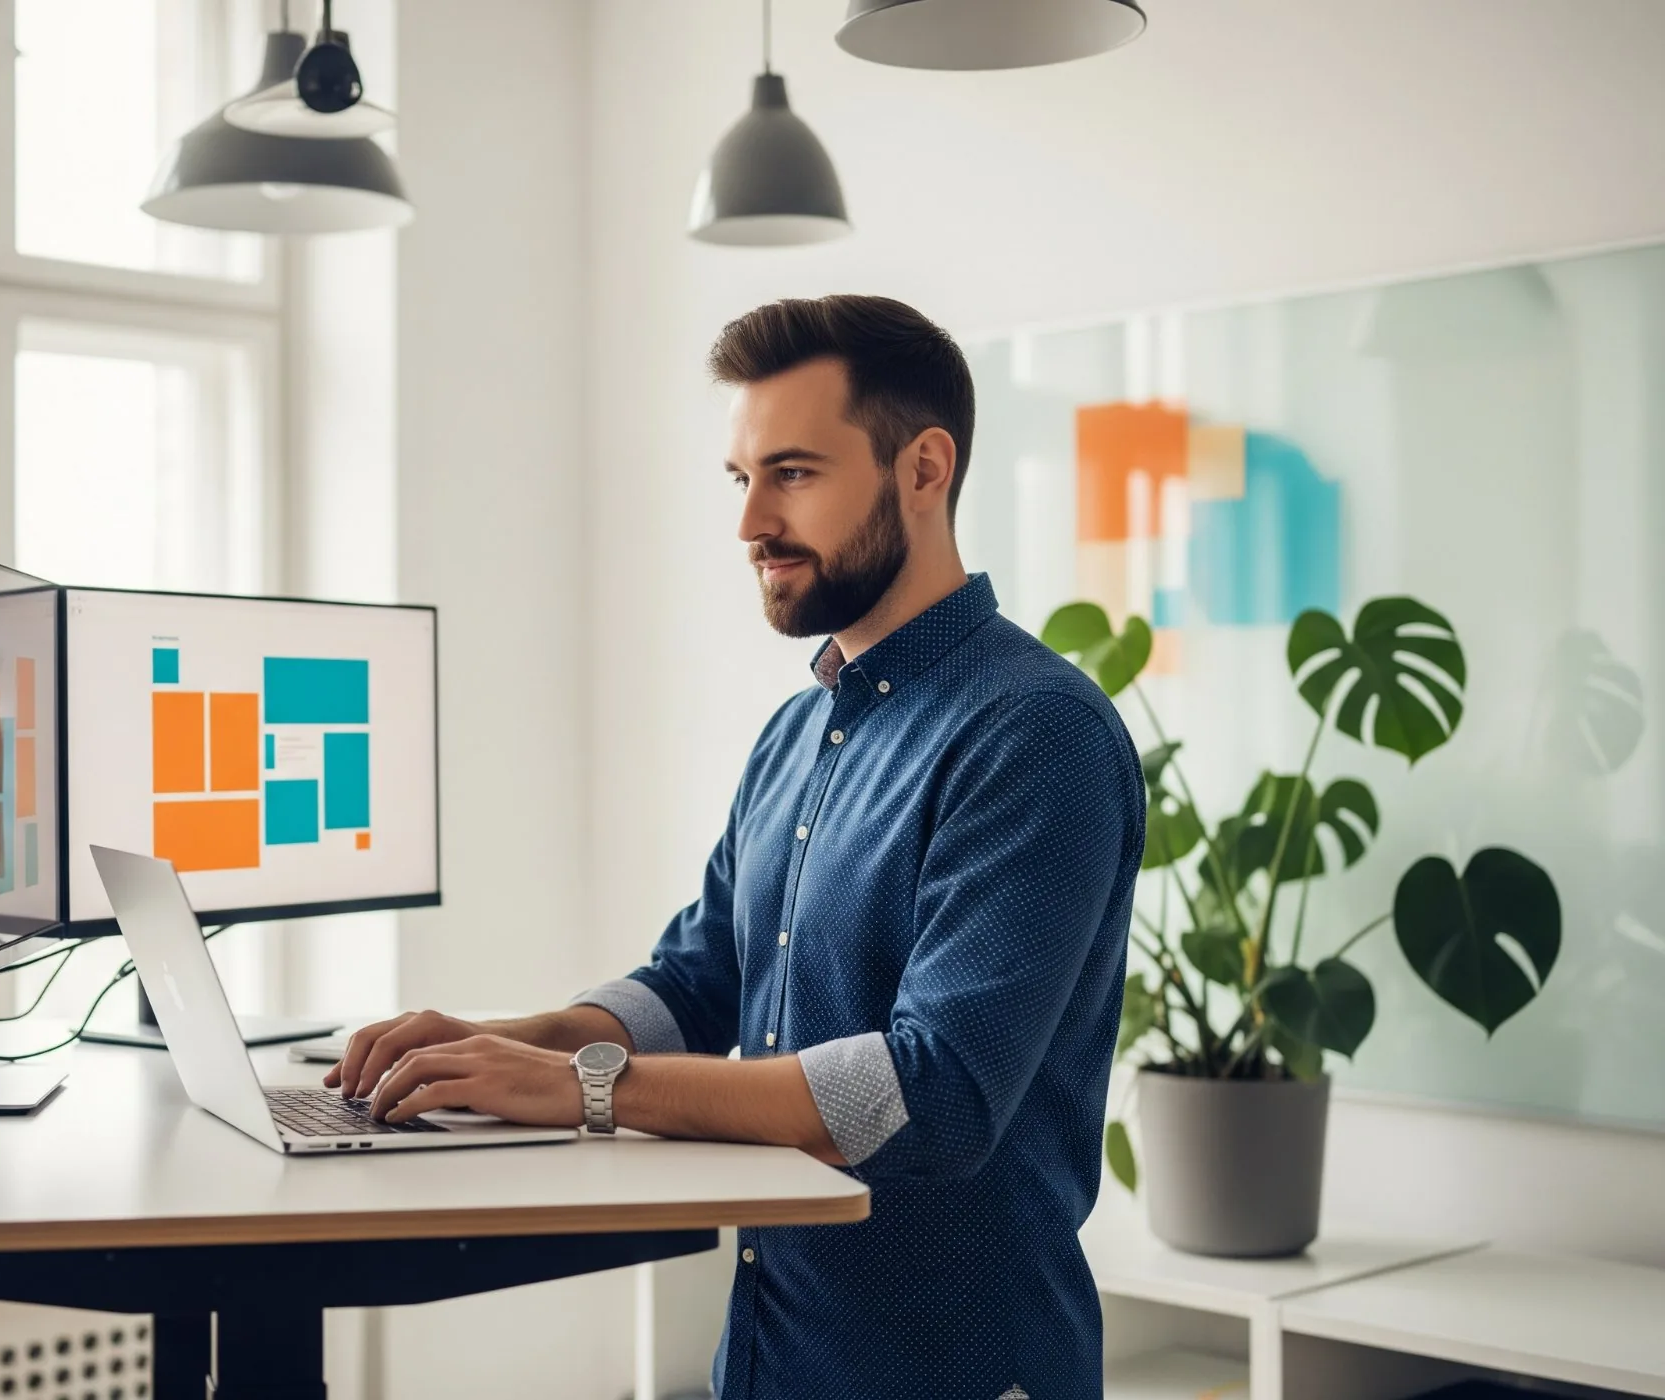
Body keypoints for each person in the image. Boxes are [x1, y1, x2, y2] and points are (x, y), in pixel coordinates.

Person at [334, 294, 1145, 1400]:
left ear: (923, 466)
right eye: (741, 478)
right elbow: (700, 979)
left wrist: (578, 1086)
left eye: (793, 473)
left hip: (953, 1369)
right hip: (772, 1354)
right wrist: (481, 1046)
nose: (749, 520)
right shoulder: (797, 729)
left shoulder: (1034, 733)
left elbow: (929, 1090)